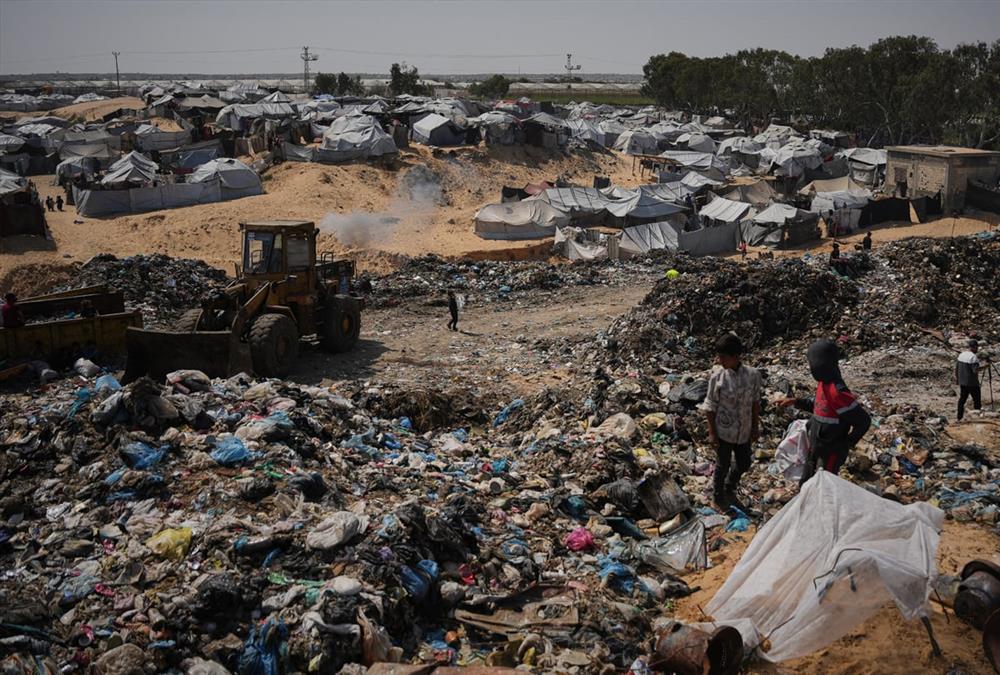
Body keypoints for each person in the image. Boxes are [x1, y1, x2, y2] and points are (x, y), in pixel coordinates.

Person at [778, 338, 871, 486]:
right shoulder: (823, 384)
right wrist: (795, 401)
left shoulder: (838, 393)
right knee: (807, 481)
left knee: (824, 485)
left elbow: (864, 421)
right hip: (816, 445)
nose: (812, 369)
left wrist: (847, 442)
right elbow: (818, 407)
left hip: (830, 452)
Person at [701, 333, 762, 508]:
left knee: (744, 462)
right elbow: (710, 406)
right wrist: (712, 432)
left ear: (736, 356)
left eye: (723, 357)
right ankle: (718, 495)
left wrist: (755, 427)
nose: (720, 360)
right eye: (719, 356)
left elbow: (755, 402)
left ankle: (730, 485)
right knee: (722, 464)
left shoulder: (752, 375)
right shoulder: (717, 378)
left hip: (744, 430)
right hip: (724, 430)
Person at [956, 340, 982, 420]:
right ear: (974, 347)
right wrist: (985, 367)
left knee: (962, 399)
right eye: (976, 347)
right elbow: (975, 370)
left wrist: (957, 379)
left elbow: (956, 369)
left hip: (962, 382)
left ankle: (959, 417)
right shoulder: (973, 357)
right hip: (972, 383)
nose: (977, 349)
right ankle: (976, 418)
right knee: (977, 400)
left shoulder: (961, 355)